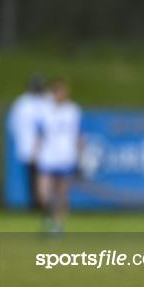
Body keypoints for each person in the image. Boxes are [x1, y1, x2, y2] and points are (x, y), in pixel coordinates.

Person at [36, 79, 82, 233]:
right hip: (47, 157)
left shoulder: (73, 111)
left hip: (65, 157)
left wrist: (79, 156)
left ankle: (58, 226)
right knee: (43, 193)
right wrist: (36, 153)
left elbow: (78, 136)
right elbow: (40, 134)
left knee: (62, 193)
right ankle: (49, 218)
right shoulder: (45, 111)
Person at [7, 75, 47, 209]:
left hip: (47, 148)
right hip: (28, 146)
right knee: (32, 176)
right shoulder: (22, 103)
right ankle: (36, 203)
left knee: (46, 176)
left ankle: (44, 203)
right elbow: (13, 124)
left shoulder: (46, 101)